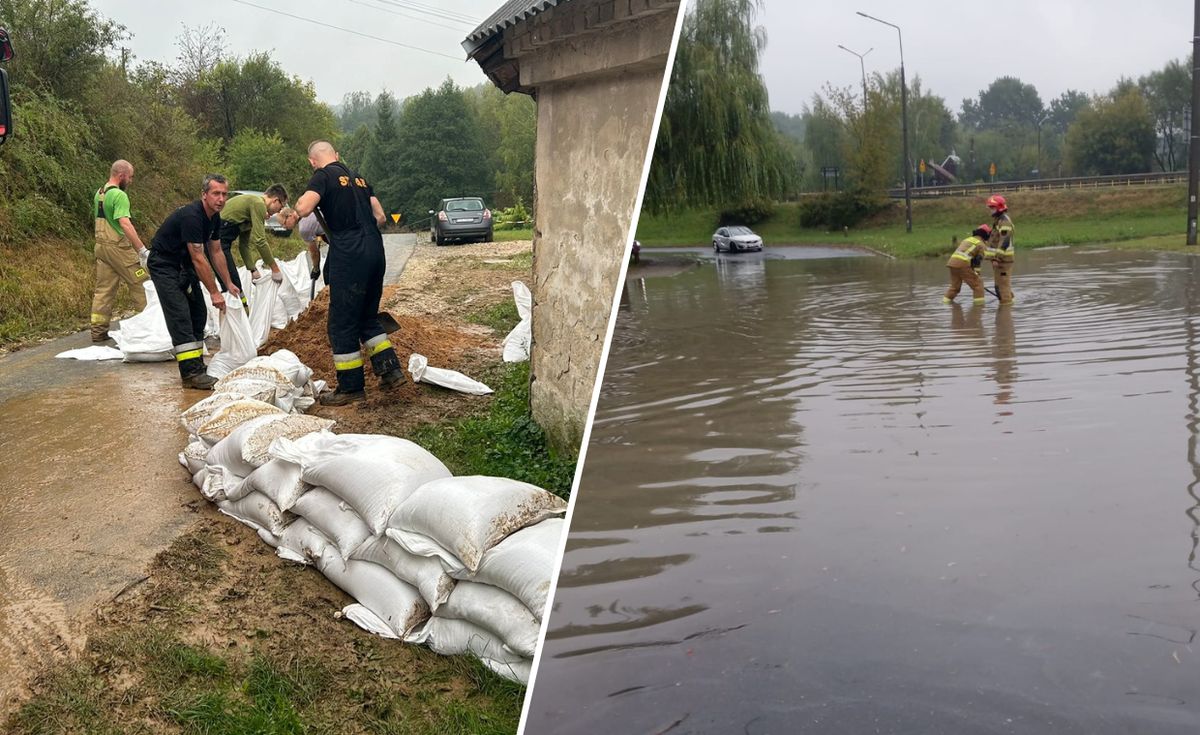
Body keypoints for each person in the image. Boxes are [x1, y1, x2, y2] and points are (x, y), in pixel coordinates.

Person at [292, 141, 404, 405]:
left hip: (350, 253)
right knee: (367, 317)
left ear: (312, 161)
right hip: (376, 250)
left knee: (341, 323)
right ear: (337, 155)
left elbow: (305, 207)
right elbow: (380, 216)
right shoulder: (360, 178)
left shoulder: (323, 175)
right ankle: (391, 371)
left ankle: (351, 387)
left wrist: (294, 213)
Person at [147, 174, 239, 389]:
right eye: (216, 193)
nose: (221, 199)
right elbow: (198, 256)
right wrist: (214, 293)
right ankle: (190, 374)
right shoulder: (192, 216)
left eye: (224, 194)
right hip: (165, 265)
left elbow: (216, 251)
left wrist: (228, 282)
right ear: (204, 195)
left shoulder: (214, 217)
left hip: (183, 265)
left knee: (198, 313)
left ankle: (196, 366)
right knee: (180, 316)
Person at [90, 160, 151, 343]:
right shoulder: (119, 195)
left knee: (103, 290)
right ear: (122, 175)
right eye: (130, 177)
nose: (131, 181)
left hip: (101, 247)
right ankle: (150, 327)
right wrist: (141, 249)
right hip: (119, 248)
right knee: (141, 283)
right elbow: (124, 223)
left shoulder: (99, 194)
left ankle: (98, 331)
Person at [216, 185, 288, 302]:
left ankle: (238, 311)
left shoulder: (253, 206)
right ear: (275, 200)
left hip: (222, 241)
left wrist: (252, 269)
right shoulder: (258, 203)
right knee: (233, 286)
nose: (278, 212)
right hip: (218, 240)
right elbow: (260, 241)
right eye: (280, 208)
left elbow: (244, 245)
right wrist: (275, 269)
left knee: (233, 284)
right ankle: (237, 313)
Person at [943, 224, 991, 304]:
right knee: (978, 285)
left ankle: (945, 304)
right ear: (985, 235)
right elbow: (977, 261)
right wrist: (977, 274)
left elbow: (971, 257)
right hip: (962, 263)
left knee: (955, 288)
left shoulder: (968, 239)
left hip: (952, 263)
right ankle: (978, 308)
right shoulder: (981, 245)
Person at [984, 194, 1015, 303]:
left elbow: (1005, 240)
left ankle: (1006, 313)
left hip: (1003, 260)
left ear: (999, 208)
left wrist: (997, 258)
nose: (990, 210)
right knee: (1000, 286)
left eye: (992, 208)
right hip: (999, 260)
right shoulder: (999, 220)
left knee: (1002, 287)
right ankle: (1008, 305)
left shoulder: (1004, 221)